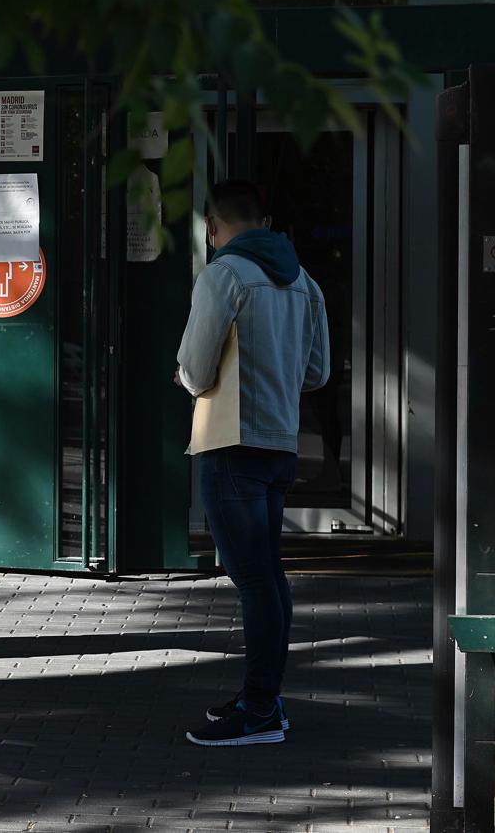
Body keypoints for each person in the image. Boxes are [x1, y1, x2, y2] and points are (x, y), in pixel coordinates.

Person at [175, 180, 329, 746]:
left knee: (254, 582)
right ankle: (264, 698)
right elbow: (317, 373)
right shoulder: (303, 280)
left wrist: (188, 378)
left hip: (231, 444)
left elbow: (196, 369)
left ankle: (261, 710)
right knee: (269, 577)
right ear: (265, 220)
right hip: (280, 444)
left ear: (212, 227)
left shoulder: (225, 275)